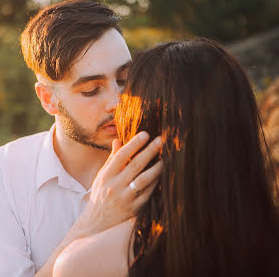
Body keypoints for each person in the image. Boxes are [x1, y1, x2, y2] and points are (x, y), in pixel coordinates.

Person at [0, 0, 162, 277]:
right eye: (91, 90)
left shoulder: (163, 156)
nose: (118, 101)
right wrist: (95, 220)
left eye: (124, 79)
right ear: (48, 99)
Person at [53, 38, 279, 277]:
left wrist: (94, 220)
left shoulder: (87, 265)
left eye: (122, 87)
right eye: (91, 91)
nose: (113, 107)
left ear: (142, 128)